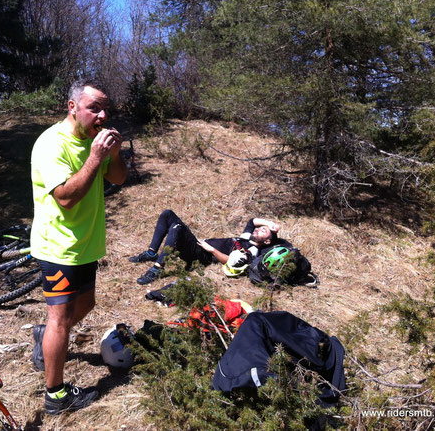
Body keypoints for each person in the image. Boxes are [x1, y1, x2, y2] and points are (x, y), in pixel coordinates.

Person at [30, 79, 127, 415]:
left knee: (85, 304)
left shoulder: (94, 141)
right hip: (58, 247)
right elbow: (67, 198)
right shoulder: (51, 144)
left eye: (105, 109)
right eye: (94, 108)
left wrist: (113, 155)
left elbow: (118, 179)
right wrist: (95, 157)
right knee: (60, 318)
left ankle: (45, 340)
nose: (101, 115)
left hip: (86, 244)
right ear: (72, 107)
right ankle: (55, 396)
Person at [130, 209, 281, 285]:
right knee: (167, 214)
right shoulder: (246, 237)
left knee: (177, 228)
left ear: (267, 241)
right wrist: (269, 224)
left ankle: (157, 268)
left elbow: (230, 262)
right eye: (260, 228)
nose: (258, 229)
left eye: (263, 231)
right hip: (199, 246)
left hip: (202, 255)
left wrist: (211, 250)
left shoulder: (252, 251)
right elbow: (252, 221)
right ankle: (151, 253)